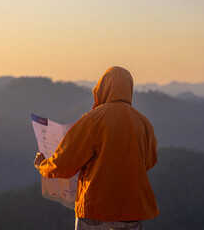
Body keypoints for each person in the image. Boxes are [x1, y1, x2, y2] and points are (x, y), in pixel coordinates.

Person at [34, 66, 160, 230]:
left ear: (102, 88)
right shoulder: (144, 123)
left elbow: (64, 163)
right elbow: (149, 162)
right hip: (131, 208)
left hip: (95, 207)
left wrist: (43, 166)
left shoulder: (91, 120)